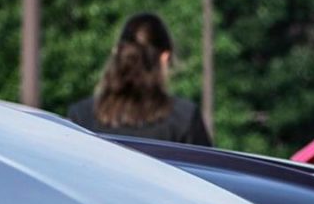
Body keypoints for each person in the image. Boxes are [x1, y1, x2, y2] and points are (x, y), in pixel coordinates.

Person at [68, 12, 212, 146]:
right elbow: (206, 171)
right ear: (164, 58)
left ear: (116, 53)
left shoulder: (81, 116)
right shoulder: (184, 119)